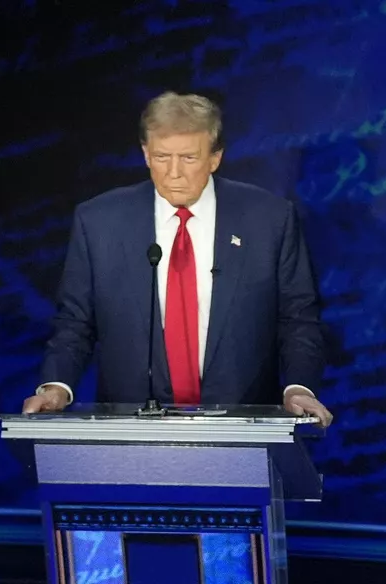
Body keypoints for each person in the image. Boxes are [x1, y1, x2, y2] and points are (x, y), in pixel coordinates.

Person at [21, 92, 332, 425]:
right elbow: (75, 321)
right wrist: (56, 386)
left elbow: (298, 318)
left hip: (243, 425)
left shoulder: (269, 219)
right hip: (130, 429)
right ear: (145, 154)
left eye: (188, 158)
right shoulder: (99, 222)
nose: (173, 172)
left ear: (215, 158)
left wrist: (299, 388)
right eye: (162, 156)